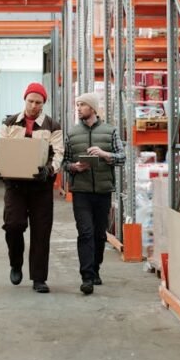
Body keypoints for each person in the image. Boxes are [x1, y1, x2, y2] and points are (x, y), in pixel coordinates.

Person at [0, 83, 64, 293]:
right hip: (15, 185)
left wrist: (49, 170)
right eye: (30, 101)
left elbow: (58, 153)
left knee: (41, 232)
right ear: (25, 100)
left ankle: (39, 279)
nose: (33, 105)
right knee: (13, 225)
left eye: (38, 102)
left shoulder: (52, 125)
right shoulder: (10, 122)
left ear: (43, 104)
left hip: (40, 186)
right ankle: (16, 263)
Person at [63, 92, 124, 295]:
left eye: (82, 104)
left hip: (103, 191)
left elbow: (122, 157)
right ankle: (87, 277)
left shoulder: (110, 131)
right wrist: (74, 167)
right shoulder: (72, 134)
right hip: (81, 191)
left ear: (93, 108)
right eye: (77, 104)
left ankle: (96, 268)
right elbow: (64, 163)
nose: (78, 108)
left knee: (99, 234)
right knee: (86, 233)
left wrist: (105, 155)